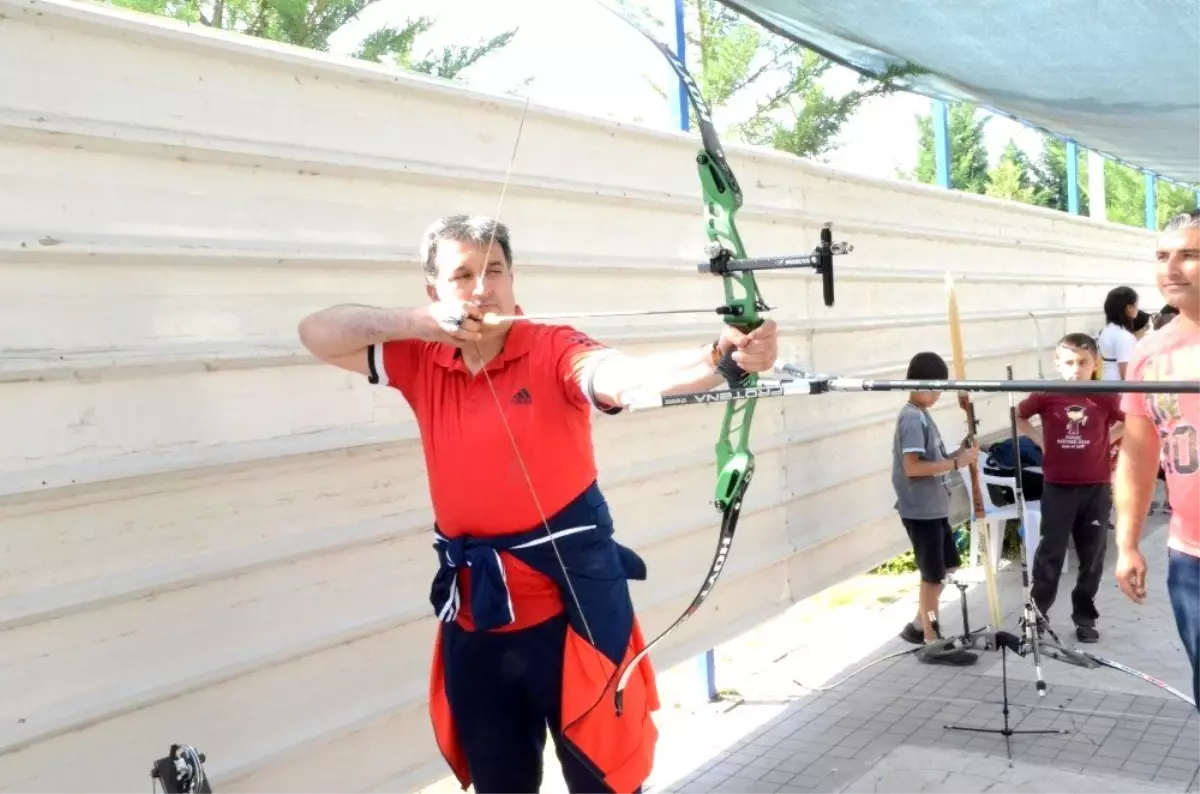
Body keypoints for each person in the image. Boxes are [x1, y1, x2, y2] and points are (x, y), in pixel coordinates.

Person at [297, 214, 781, 794]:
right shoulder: (421, 358)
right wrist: (414, 324)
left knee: (604, 777)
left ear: (512, 277)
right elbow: (316, 332)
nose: (482, 289)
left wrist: (720, 358)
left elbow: (622, 376)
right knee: (499, 783)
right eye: (464, 275)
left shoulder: (552, 347)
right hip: (482, 616)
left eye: (494, 270)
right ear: (434, 292)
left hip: (571, 612)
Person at [1114, 209, 1200, 709]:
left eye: (1189, 255)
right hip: (1191, 556)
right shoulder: (1149, 354)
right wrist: (1127, 543)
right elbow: (1138, 454)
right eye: (1163, 256)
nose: (1171, 268)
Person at [1016, 333, 1124, 642]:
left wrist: (1106, 441)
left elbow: (1130, 420)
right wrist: (1041, 442)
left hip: (1096, 487)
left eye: (1082, 362)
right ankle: (1037, 614)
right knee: (1051, 552)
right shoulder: (1047, 394)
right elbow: (1018, 416)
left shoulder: (1106, 395)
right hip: (1058, 487)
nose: (1076, 369)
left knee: (1093, 555)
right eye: (1069, 363)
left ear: (1095, 364)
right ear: (1058, 364)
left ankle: (1084, 616)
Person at [892, 351, 981, 664]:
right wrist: (956, 461)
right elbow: (913, 467)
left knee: (946, 567)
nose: (939, 394)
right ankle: (930, 639)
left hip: (933, 507)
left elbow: (934, 460)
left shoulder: (921, 414)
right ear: (921, 384)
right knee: (933, 576)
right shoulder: (912, 418)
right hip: (921, 509)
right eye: (936, 387)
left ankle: (919, 625)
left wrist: (961, 450)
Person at [1097, 285, 1140, 380]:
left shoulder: (1106, 330)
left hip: (1106, 380)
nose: (1138, 308)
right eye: (1136, 305)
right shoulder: (1123, 335)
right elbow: (1126, 372)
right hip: (1118, 387)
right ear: (1129, 308)